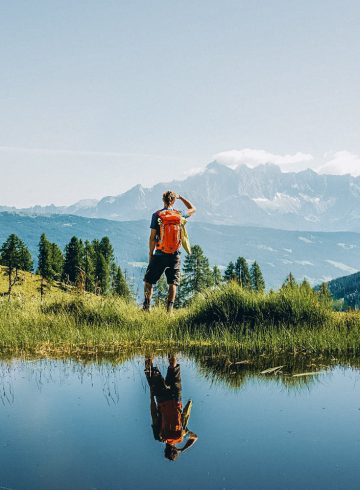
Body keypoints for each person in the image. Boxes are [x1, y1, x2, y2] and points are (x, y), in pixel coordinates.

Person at [143, 191, 196, 312]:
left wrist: (151, 254)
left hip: (160, 253)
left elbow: (152, 237)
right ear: (173, 201)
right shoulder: (179, 214)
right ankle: (169, 311)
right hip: (175, 254)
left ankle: (146, 308)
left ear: (163, 200)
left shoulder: (157, 215)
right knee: (173, 283)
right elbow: (193, 209)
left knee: (149, 281)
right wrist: (181, 197)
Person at [144, 354, 198, 461]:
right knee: (149, 370)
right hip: (162, 399)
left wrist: (182, 449)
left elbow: (195, 437)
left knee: (173, 368)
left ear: (175, 449)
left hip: (175, 399)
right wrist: (151, 397)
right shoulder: (159, 437)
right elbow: (154, 415)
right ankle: (148, 350)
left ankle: (171, 348)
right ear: (165, 450)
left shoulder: (181, 436)